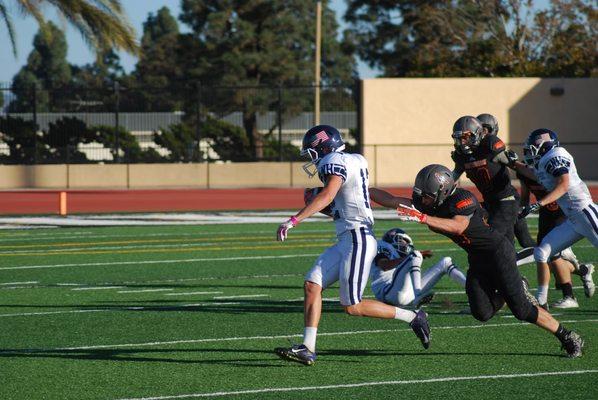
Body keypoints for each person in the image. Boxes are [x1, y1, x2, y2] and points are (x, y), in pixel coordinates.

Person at [377, 164, 583, 357]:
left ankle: (568, 336)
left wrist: (423, 218)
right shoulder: (429, 201)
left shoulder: (463, 198)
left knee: (521, 309)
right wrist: (358, 189)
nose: (422, 200)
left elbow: (458, 226)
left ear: (443, 192)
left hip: (497, 253)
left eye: (427, 196)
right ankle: (512, 287)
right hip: (477, 258)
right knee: (481, 312)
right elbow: (391, 200)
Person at [274, 125, 430, 366]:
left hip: (357, 238)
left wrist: (294, 220)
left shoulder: (333, 162)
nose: (312, 159)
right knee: (312, 284)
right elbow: (371, 194)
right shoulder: (354, 160)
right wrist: (401, 202)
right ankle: (307, 348)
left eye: (312, 152)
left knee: (352, 306)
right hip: (348, 238)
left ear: (323, 147)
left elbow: (327, 194)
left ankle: (413, 316)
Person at [513, 129, 598, 307]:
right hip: (574, 221)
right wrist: (512, 164)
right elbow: (535, 175)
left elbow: (564, 184)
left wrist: (539, 204)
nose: (530, 150)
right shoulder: (544, 161)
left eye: (534, 146)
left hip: (585, 213)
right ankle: (541, 301)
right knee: (541, 252)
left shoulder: (555, 155)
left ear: (545, 144)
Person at [450, 116, 534, 264]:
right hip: (491, 204)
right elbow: (454, 176)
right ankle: (517, 281)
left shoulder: (489, 146)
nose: (462, 142)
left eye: (466, 137)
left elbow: (515, 165)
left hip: (506, 201)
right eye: (459, 138)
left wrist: (538, 176)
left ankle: (550, 252)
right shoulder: (461, 156)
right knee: (514, 245)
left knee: (491, 242)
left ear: (477, 133)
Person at [476, 113, 536, 251]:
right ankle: (580, 269)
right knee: (521, 242)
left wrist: (536, 174)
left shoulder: (493, 148)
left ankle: (557, 256)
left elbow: (515, 165)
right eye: (481, 129)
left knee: (502, 242)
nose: (483, 133)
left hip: (506, 202)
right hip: (496, 202)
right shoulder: (473, 152)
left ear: (492, 130)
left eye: (486, 129)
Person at [370, 227, 466, 307]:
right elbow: (384, 265)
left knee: (446, 262)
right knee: (415, 254)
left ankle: (474, 293)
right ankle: (418, 295)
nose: (406, 245)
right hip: (388, 292)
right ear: (394, 239)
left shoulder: (398, 255)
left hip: (405, 294)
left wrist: (410, 258)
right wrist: (411, 257)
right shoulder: (384, 246)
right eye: (404, 241)